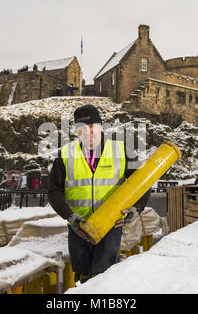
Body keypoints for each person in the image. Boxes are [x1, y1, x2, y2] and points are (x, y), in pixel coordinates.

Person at [47, 104, 151, 284]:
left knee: (104, 278)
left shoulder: (121, 150)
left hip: (110, 226)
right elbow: (54, 190)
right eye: (82, 128)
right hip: (79, 227)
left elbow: (143, 183)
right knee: (83, 279)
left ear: (101, 126)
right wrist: (70, 216)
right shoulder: (65, 154)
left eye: (92, 126)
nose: (89, 132)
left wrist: (136, 208)